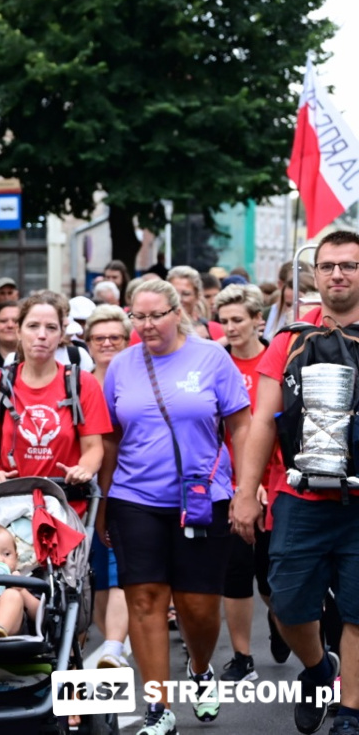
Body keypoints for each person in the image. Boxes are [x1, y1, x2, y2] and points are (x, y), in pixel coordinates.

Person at [100, 279, 251, 735]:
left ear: (177, 313)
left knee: (198, 608)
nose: (146, 325)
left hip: (201, 500)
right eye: (138, 317)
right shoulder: (121, 366)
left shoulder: (212, 358)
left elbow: (242, 427)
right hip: (134, 498)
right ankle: (158, 707)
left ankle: (200, 668)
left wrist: (245, 489)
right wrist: (104, 502)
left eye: (156, 315)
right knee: (145, 600)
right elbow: (111, 439)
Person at [234, 230, 359, 735]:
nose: (337, 274)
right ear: (315, 274)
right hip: (299, 496)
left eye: (349, 265)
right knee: (285, 602)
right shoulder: (289, 340)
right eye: (328, 266)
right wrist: (245, 493)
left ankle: (350, 712)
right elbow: (262, 421)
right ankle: (319, 668)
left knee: (357, 611)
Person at [0, 291, 111, 498]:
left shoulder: (82, 383)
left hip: (64, 500)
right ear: (18, 331)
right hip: (10, 499)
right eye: (33, 326)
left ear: (62, 334)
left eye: (51, 327)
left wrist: (84, 469)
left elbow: (93, 447)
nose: (41, 335)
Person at [213, 284, 285, 686]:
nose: (230, 328)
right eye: (223, 321)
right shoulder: (215, 363)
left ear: (259, 320)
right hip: (228, 485)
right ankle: (242, 657)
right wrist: (239, 484)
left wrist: (259, 481)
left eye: (238, 319)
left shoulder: (278, 360)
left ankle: (281, 621)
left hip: (275, 482)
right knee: (235, 573)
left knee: (271, 578)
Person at [82, 305, 133, 670]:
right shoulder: (77, 385)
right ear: (87, 343)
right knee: (95, 577)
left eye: (115, 337)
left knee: (118, 573)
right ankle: (112, 645)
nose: (107, 343)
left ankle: (114, 647)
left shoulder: (136, 384)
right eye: (99, 338)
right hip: (83, 493)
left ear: (128, 341)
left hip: (128, 489)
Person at [168, 265, 225, 341]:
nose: (178, 299)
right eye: (173, 294)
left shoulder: (212, 330)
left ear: (197, 296)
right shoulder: (157, 327)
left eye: (186, 294)